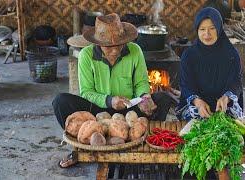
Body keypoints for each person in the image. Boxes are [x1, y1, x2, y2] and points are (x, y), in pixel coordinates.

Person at [52, 13, 171, 168]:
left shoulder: (135, 51)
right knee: (60, 102)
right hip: (97, 114)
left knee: (163, 98)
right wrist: (110, 100)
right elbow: (87, 92)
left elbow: (142, 82)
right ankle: (80, 148)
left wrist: (145, 97)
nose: (114, 51)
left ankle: (145, 143)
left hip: (129, 113)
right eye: (109, 47)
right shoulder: (86, 55)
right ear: (98, 43)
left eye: (119, 45)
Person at [176, 7, 243, 121]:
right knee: (195, 121)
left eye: (212, 28)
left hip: (224, 105)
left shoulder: (231, 54)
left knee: (228, 124)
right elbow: (186, 85)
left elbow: (236, 82)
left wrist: (226, 98)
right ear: (197, 31)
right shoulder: (189, 55)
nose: (207, 34)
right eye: (202, 29)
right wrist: (198, 102)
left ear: (219, 28)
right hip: (196, 104)